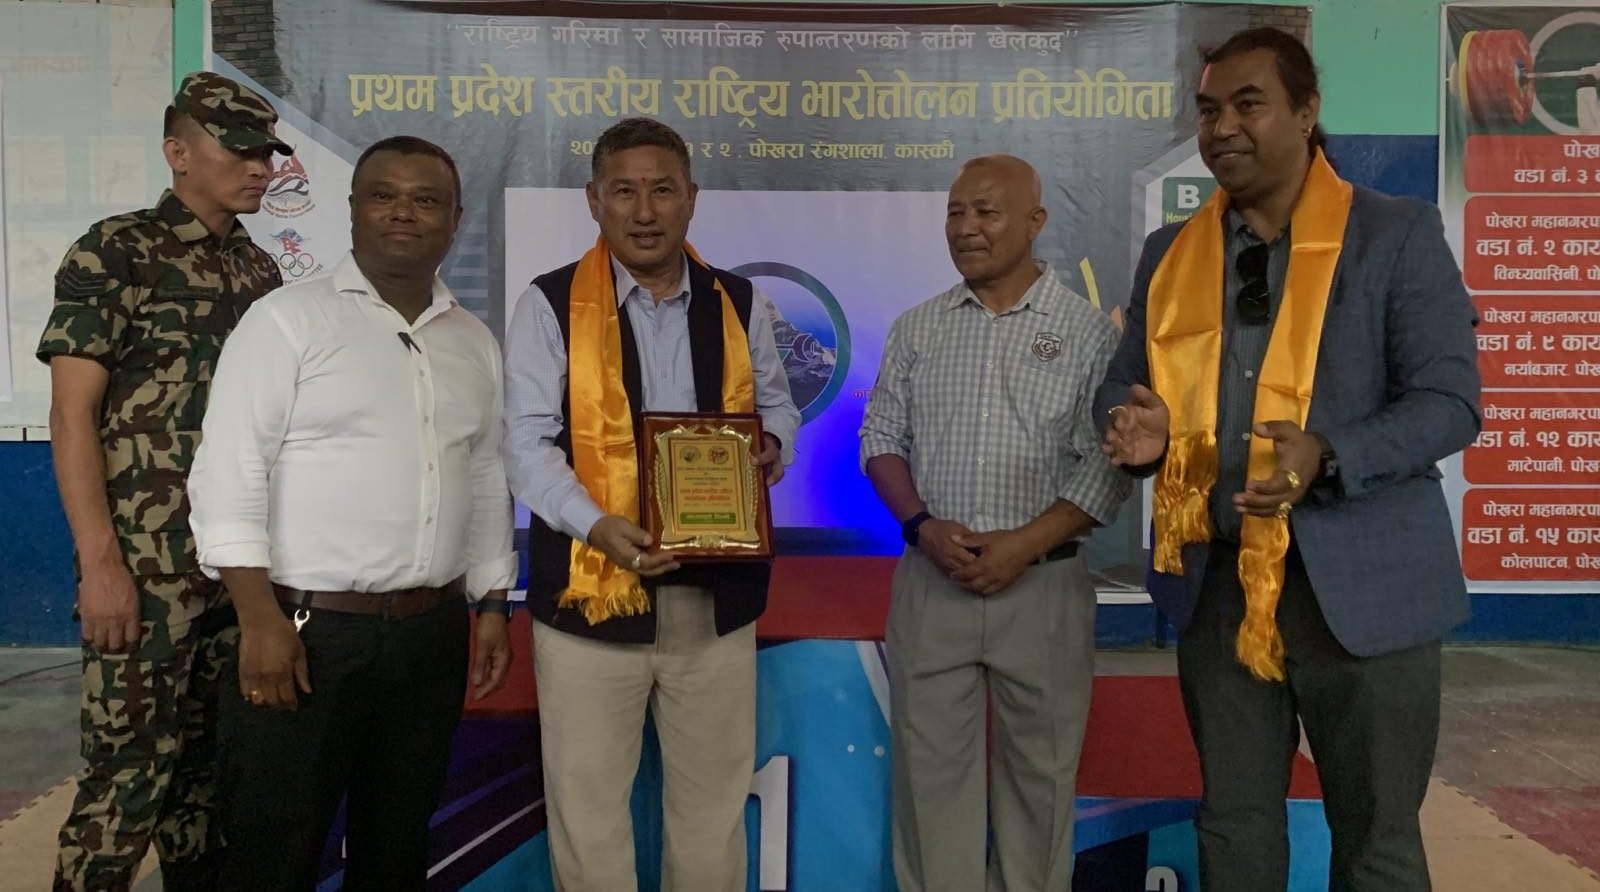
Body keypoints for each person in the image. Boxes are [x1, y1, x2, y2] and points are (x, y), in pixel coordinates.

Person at [1095, 28, 1480, 892]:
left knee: (1377, 843)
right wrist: (1133, 428)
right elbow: (1123, 385)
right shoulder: (1171, 254)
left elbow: (1449, 401)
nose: (1222, 127)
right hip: (1220, 590)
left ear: (1307, 113)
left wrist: (1330, 453)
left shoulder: (1395, 235)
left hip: (1367, 594)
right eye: (1208, 111)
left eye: (1248, 104)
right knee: (1232, 828)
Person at [186, 135, 517, 892]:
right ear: (353, 210)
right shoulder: (286, 321)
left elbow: (485, 473)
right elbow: (229, 470)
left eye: (425, 200)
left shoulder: (473, 341)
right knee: (274, 854)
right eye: (383, 195)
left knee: (396, 850)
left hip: (431, 636)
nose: (403, 212)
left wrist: (493, 601)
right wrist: (259, 620)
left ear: (455, 219)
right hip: (305, 634)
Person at [503, 116, 799, 892]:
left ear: (691, 198)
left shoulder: (739, 300)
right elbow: (526, 446)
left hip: (715, 606)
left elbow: (776, 405)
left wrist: (771, 445)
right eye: (624, 191)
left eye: (662, 190)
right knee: (590, 818)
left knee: (711, 816)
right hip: (590, 603)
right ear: (593, 200)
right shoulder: (550, 303)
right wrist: (597, 526)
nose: (643, 211)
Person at [35, 71, 290, 892]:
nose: (260, 168)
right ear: (178, 153)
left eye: (267, 153)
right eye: (240, 151)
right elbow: (72, 415)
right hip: (145, 570)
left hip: (238, 565)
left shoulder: (259, 271)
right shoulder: (117, 250)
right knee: (129, 773)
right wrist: (101, 565)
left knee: (213, 778)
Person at [859, 154, 1129, 892]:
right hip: (932, 582)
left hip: (1042, 590)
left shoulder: (1087, 335)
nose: (966, 228)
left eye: (986, 212)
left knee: (1039, 793)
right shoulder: (918, 327)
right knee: (929, 792)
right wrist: (921, 525)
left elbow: (1107, 466)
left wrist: (1022, 546)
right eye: (956, 213)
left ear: (1035, 222)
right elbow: (879, 437)